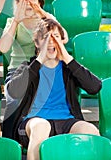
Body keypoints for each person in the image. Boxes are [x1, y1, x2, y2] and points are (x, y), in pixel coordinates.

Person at [7, 18, 101, 160]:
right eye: (45, 37)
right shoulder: (28, 67)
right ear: (36, 43)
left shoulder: (69, 69)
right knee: (42, 127)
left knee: (90, 130)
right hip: (34, 121)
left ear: (62, 41)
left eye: (55, 37)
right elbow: (13, 92)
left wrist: (68, 59)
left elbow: (95, 87)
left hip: (66, 121)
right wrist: (39, 61)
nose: (51, 41)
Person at [0, 0, 68, 138]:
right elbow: (3, 47)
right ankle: (9, 142)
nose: (28, 2)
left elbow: (63, 38)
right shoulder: (13, 21)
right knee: (14, 101)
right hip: (19, 70)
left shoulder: (46, 20)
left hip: (44, 69)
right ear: (17, 3)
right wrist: (17, 20)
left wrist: (41, 12)